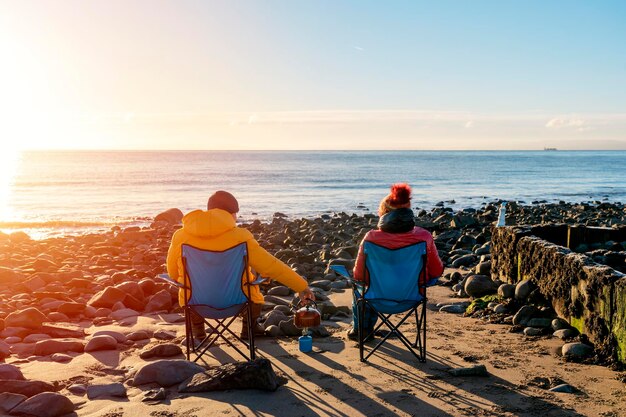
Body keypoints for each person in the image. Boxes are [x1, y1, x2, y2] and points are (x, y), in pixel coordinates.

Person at [166, 190, 315, 340]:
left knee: (186, 285)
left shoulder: (180, 236)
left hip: (195, 303)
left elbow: (172, 273)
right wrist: (301, 286)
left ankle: (198, 331)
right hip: (237, 302)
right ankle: (249, 329)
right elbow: (272, 265)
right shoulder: (241, 237)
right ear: (230, 214)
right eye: (235, 214)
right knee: (253, 286)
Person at [348, 183, 444, 340]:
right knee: (369, 284)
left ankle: (361, 330)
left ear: (384, 214)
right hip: (412, 297)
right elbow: (436, 271)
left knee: (361, 286)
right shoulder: (424, 237)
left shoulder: (371, 238)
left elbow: (359, 275)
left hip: (376, 298)